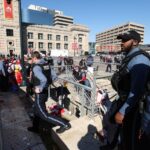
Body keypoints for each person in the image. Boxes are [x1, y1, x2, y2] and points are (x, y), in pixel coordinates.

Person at [110, 30, 150, 150]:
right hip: (126, 102)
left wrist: (122, 112)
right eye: (121, 40)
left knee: (130, 139)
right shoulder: (130, 56)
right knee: (123, 133)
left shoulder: (139, 60)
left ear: (135, 42)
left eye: (125, 40)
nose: (121, 43)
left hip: (133, 109)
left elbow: (136, 92)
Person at [27, 51, 71, 134]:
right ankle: (35, 128)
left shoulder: (36, 67)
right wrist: (47, 85)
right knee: (37, 110)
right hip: (46, 91)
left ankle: (64, 124)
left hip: (40, 93)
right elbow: (54, 77)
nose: (31, 61)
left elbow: (44, 79)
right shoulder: (46, 64)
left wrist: (40, 87)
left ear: (35, 58)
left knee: (43, 114)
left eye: (31, 59)